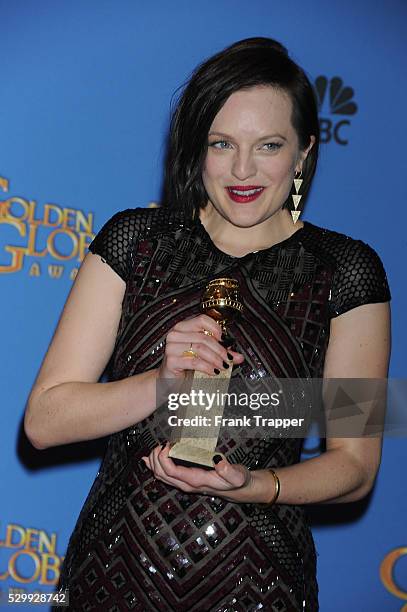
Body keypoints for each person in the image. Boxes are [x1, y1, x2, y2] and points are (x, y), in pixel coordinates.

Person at [25, 37, 391, 612]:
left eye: (269, 145)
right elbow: (45, 421)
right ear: (197, 149)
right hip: (111, 578)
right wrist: (159, 384)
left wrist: (256, 486)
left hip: (259, 586)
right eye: (222, 144)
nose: (243, 170)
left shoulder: (346, 272)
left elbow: (355, 465)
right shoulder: (135, 243)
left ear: (304, 154)